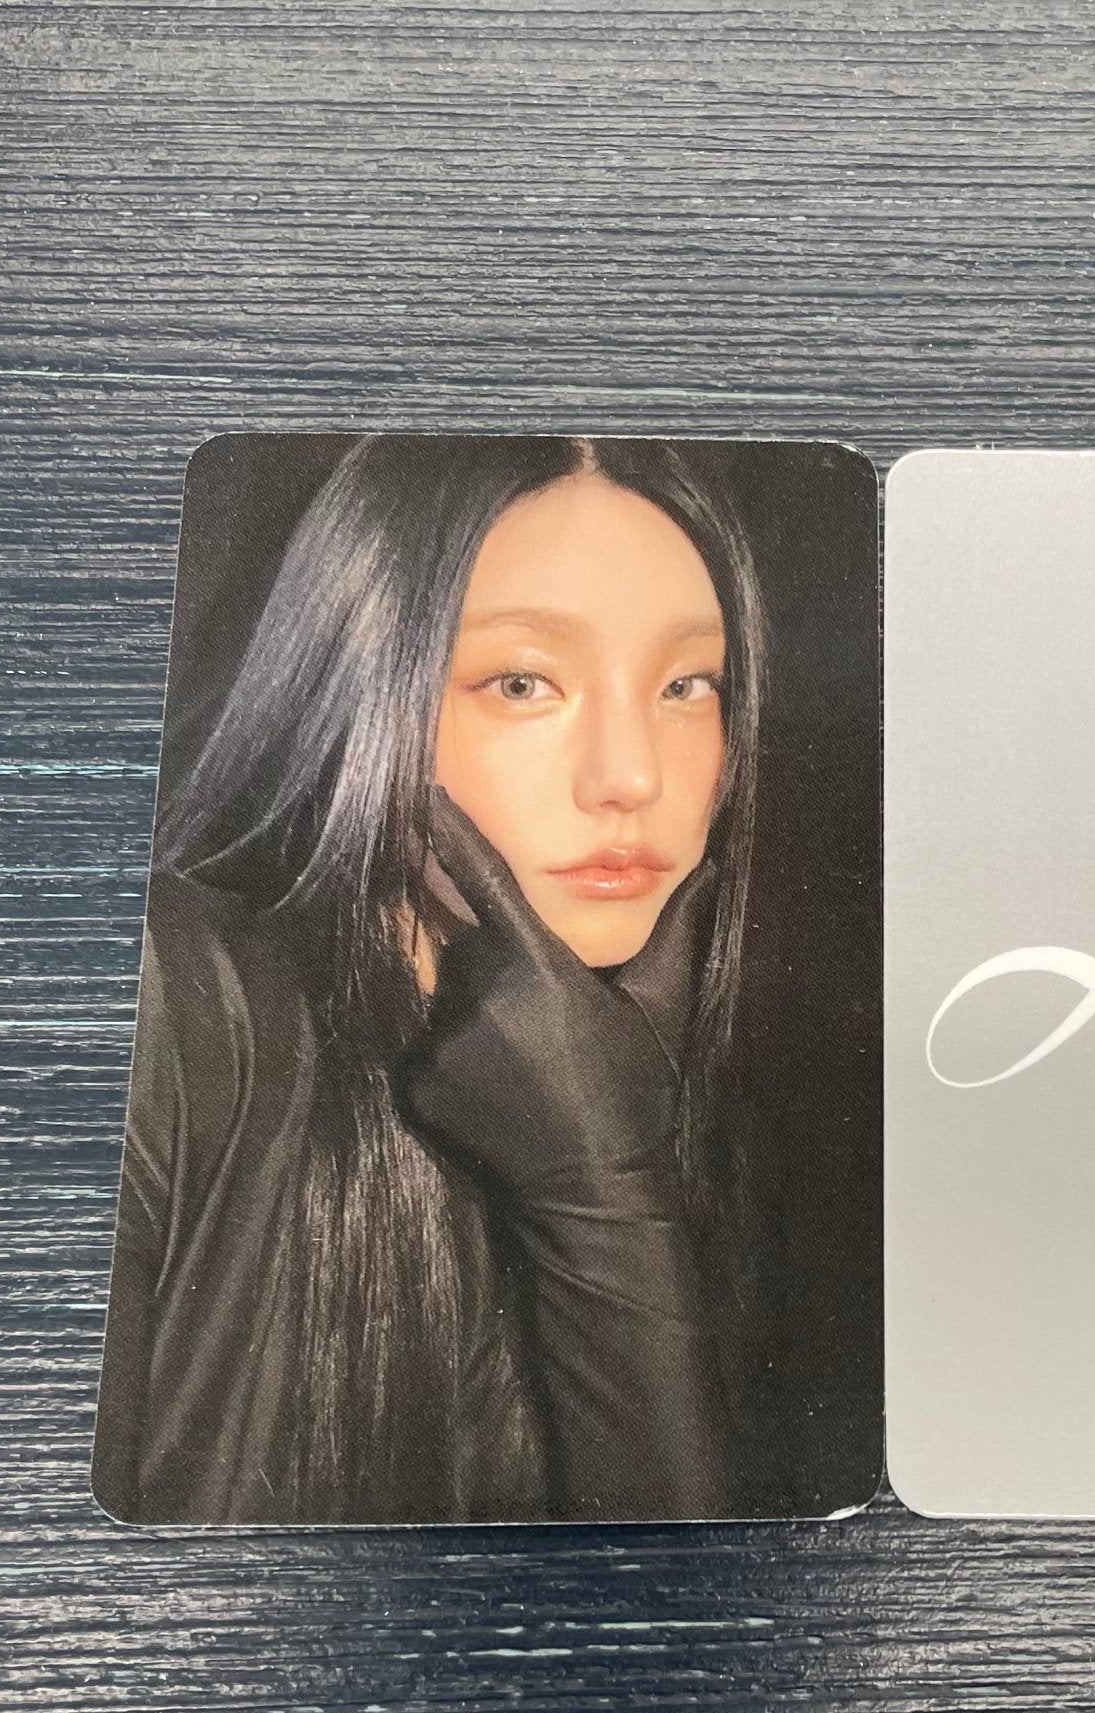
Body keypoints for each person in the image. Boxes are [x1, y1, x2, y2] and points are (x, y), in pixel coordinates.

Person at [91, 435, 768, 1524]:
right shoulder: (163, 1009)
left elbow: (674, 1609)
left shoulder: (700, 1090)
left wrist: (604, 1193)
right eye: (523, 682)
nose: (632, 776)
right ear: (359, 693)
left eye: (686, 684)